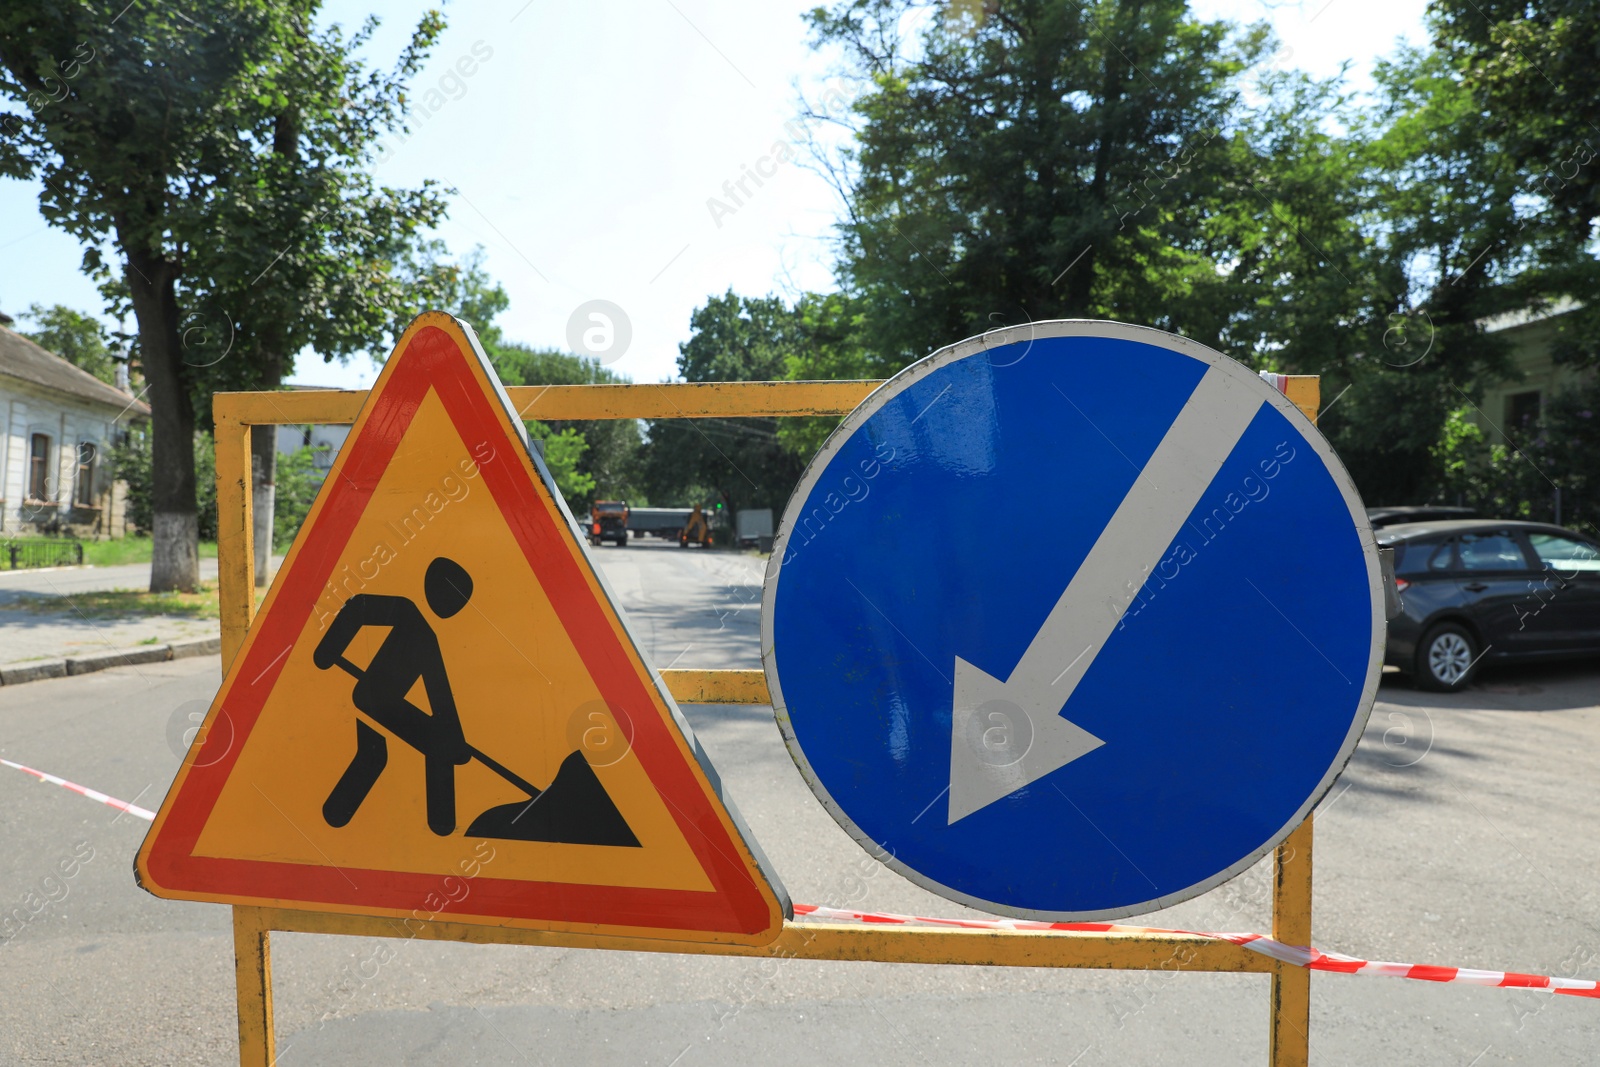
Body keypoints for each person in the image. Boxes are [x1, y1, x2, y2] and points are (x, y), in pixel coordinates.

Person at [313, 557, 475, 836]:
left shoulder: (427, 635)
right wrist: (327, 652)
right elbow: (358, 607)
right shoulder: (407, 612)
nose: (456, 606)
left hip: (383, 704)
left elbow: (440, 694)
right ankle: (441, 821)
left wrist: (455, 739)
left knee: (376, 755)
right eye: (455, 597)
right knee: (429, 746)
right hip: (373, 698)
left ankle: (338, 814)